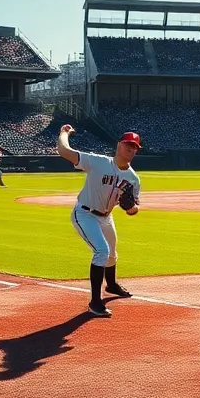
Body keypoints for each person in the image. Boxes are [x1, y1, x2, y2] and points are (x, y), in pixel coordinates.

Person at [56, 124, 142, 318]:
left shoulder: (133, 179)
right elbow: (64, 151)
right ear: (119, 145)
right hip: (85, 213)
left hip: (106, 217)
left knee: (112, 254)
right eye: (128, 144)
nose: (131, 149)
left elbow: (135, 208)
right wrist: (64, 133)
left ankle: (111, 285)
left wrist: (130, 208)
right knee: (101, 251)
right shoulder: (97, 162)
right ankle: (95, 302)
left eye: (135, 147)